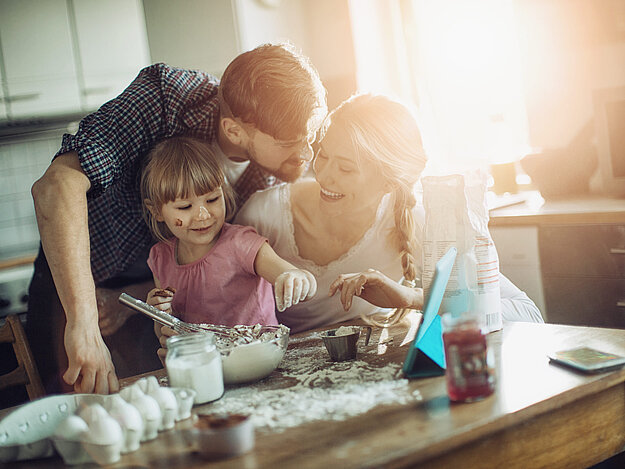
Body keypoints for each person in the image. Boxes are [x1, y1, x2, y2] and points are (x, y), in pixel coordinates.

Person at [29, 42, 327, 396]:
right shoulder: (166, 98)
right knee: (74, 406)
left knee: (164, 405)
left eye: (313, 135)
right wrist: (84, 324)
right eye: (293, 141)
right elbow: (56, 186)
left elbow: (211, 267)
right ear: (234, 131)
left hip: (160, 294)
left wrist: (137, 299)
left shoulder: (275, 173)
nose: (307, 153)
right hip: (81, 281)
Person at [235, 93, 543, 333]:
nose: (324, 176)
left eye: (345, 168)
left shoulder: (417, 220)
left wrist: (410, 300)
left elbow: (525, 310)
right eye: (323, 155)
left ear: (388, 182)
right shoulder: (265, 215)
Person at [141, 137, 316, 362]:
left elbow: (290, 274)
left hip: (259, 359)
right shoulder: (160, 258)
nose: (203, 215)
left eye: (213, 199)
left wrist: (295, 279)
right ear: (156, 210)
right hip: (206, 365)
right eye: (185, 207)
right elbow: (166, 330)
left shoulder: (241, 243)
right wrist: (159, 314)